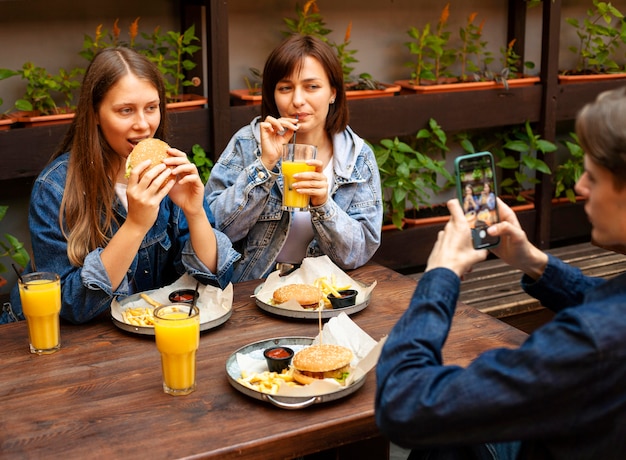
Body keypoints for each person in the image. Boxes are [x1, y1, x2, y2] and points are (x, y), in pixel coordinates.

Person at [375, 86, 626, 459]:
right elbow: (610, 303)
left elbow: (405, 403)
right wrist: (532, 261)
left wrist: (441, 274)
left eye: (592, 176)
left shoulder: (591, 343)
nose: (579, 187)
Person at [2, 47, 239, 325]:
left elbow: (213, 275)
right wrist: (136, 224)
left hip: (149, 335)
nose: (143, 125)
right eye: (125, 110)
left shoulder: (167, 171)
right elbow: (70, 305)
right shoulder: (55, 188)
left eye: (151, 108)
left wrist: (195, 211)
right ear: (94, 114)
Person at [205, 34, 383, 282]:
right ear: (272, 94)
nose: (298, 100)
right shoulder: (248, 143)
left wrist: (323, 205)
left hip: (323, 295)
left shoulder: (357, 157)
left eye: (312, 87)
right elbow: (213, 232)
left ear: (333, 92)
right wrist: (264, 167)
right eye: (285, 88)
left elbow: (359, 252)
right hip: (253, 294)